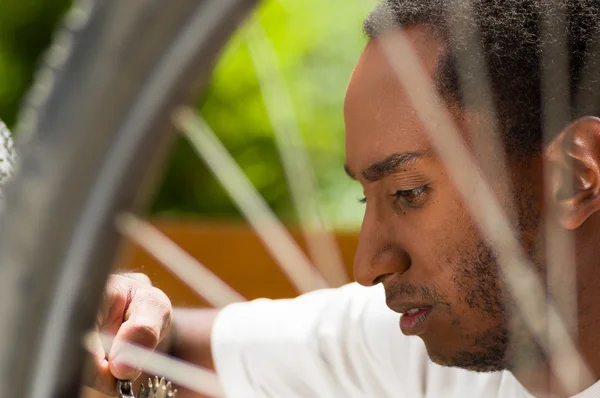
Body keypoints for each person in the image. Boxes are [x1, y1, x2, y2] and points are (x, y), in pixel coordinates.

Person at [87, 0, 600, 397]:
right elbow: (177, 354)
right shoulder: (424, 342)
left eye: (408, 192)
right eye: (364, 199)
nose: (366, 265)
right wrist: (128, 313)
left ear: (577, 176)